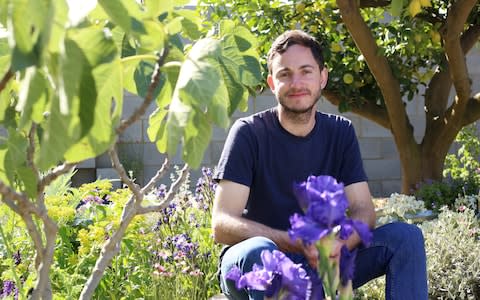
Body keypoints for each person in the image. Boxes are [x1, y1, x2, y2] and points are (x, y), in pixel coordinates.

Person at [211, 29, 428, 300]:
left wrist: (337, 245)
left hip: (323, 260)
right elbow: (221, 224)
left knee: (405, 238)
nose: (296, 82)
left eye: (306, 71)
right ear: (271, 82)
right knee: (260, 252)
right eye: (285, 74)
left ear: (323, 77)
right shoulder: (248, 133)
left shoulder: (340, 132)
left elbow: (364, 210)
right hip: (256, 264)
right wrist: (294, 243)